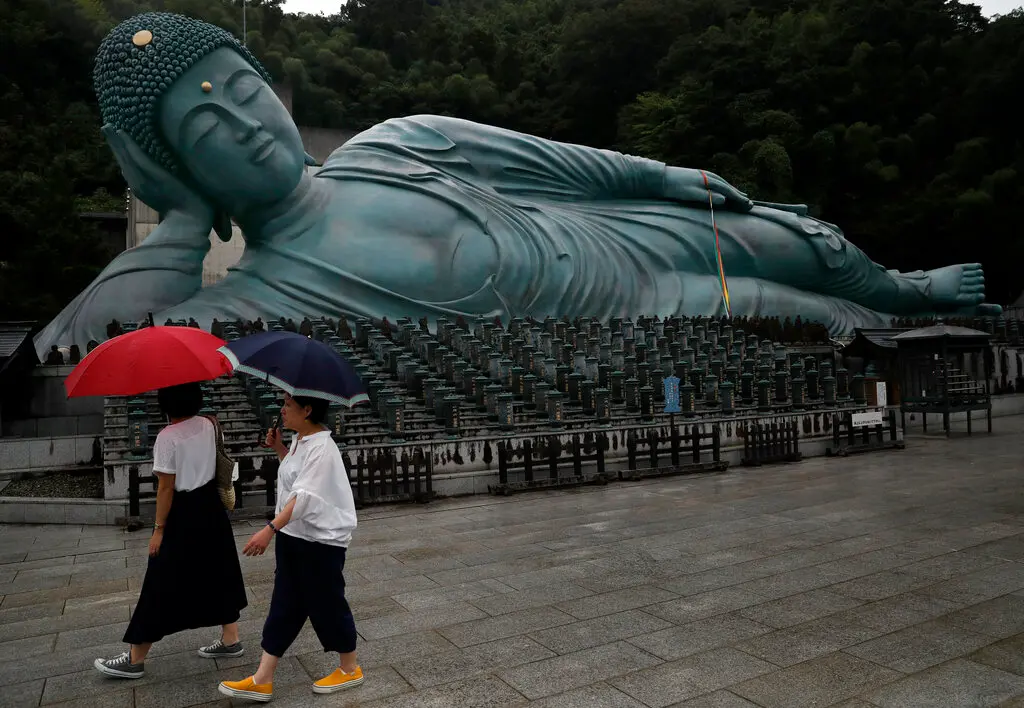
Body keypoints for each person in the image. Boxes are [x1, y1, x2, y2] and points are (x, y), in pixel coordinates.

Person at [32, 11, 999, 362]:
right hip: (628, 312)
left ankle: (903, 285)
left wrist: (664, 174)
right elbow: (94, 347)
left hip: (604, 229)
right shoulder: (253, 293)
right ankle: (887, 314)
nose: (246, 125)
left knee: (791, 234)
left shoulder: (393, 143)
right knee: (778, 301)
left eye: (246, 93)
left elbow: (554, 161)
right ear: (177, 164)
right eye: (207, 130)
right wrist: (176, 222)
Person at [94, 382, 248, 679]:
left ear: (165, 404)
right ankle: (231, 638)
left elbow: (165, 488)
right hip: (211, 508)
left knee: (160, 580)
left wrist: (158, 529)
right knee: (220, 569)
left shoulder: (167, 437)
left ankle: (136, 658)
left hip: (183, 511)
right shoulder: (209, 424)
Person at [219, 393, 361, 703]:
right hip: (295, 537)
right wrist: (280, 449)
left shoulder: (322, 447)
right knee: (285, 605)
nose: (282, 410)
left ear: (307, 409)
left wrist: (269, 529)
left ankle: (350, 668)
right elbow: (296, 479)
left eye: (288, 405)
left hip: (320, 542)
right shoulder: (300, 440)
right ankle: (262, 678)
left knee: (327, 604)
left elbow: (304, 497)